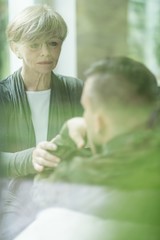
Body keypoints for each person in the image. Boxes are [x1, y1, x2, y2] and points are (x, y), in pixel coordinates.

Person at [28, 56, 160, 240]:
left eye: (86, 109)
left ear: (98, 121)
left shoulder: (82, 176)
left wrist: (66, 137)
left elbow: (41, 192)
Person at [0, 4, 83, 239]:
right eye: (34, 44)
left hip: (66, 195)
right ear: (15, 48)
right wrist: (32, 157)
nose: (46, 53)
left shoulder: (75, 89)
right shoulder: (2, 95)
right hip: (11, 200)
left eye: (53, 43)